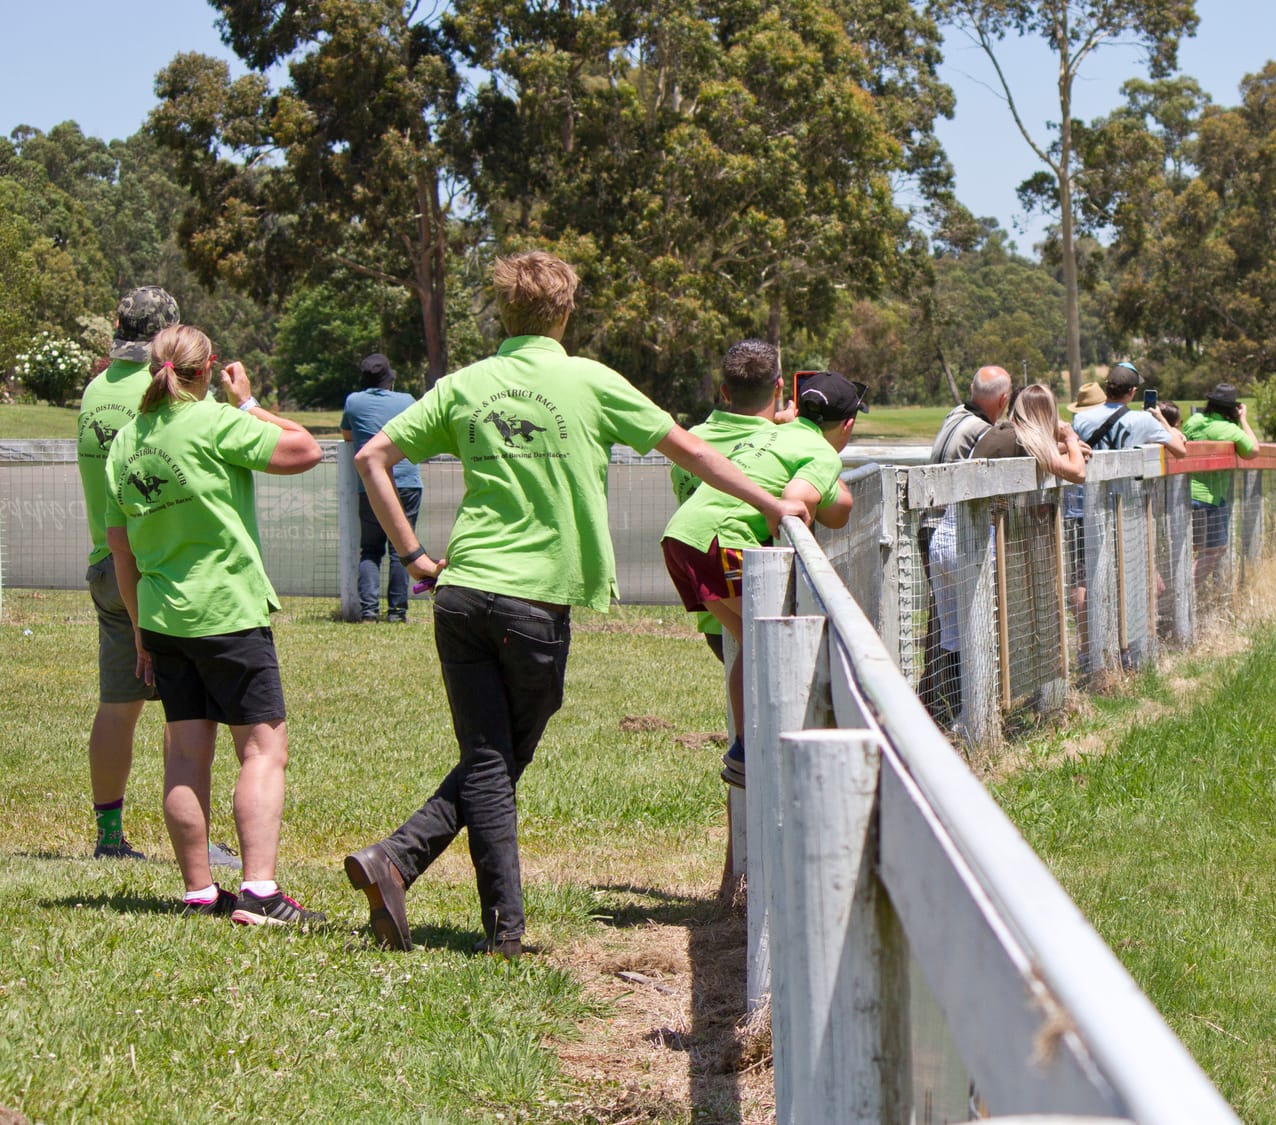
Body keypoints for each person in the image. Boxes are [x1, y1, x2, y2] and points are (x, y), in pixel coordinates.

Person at [341, 252, 809, 958]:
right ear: (564, 313)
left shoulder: (466, 385)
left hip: (463, 593)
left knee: (488, 755)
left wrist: (413, 557)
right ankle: (493, 926)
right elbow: (694, 455)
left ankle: (401, 864)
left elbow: (371, 456)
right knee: (495, 762)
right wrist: (772, 501)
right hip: (534, 601)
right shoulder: (589, 380)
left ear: (504, 313)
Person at [103, 324, 327, 923]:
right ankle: (257, 892)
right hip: (227, 612)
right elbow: (308, 449)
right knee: (262, 750)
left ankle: (201, 892)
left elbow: (121, 551)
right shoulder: (215, 421)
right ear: (207, 370)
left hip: (163, 620)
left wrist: (141, 632)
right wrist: (247, 403)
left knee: (184, 754)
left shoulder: (125, 444)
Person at [664, 363, 859, 785]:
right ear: (847, 425)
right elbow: (796, 498)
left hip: (683, 536)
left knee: (751, 640)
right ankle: (756, 748)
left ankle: (745, 749)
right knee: (777, 639)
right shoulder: (823, 454)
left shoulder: (770, 431)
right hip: (722, 541)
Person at [75, 286, 177, 862]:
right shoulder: (158, 391)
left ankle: (109, 838)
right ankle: (192, 839)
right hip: (152, 565)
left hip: (103, 563)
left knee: (118, 706)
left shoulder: (94, 390)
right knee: (184, 707)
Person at [927, 386, 1090, 727]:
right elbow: (1077, 472)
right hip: (971, 543)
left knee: (955, 637)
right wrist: (1071, 438)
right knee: (983, 633)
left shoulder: (1003, 433)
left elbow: (1033, 454)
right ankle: (976, 721)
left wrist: (1059, 447)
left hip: (945, 538)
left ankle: (954, 714)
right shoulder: (1024, 439)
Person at [669, 347, 797, 666]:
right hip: (755, 594)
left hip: (713, 606)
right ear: (779, 386)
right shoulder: (785, 443)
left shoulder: (691, 444)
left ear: (724, 391)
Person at [1064, 361, 1187, 631]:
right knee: (1132, 573)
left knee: (1084, 579)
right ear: (1132, 391)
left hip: (1086, 508)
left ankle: (1088, 648)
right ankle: (1130, 638)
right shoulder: (1141, 420)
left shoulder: (1081, 419)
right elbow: (1180, 450)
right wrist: (1161, 420)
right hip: (1126, 510)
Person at [920, 366, 1011, 720]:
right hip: (954, 529)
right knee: (965, 619)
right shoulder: (983, 431)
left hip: (930, 526)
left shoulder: (954, 415)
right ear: (1003, 400)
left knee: (941, 620)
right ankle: (961, 705)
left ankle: (931, 698)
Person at [340, 353, 421, 622]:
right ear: (389, 379)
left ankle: (369, 611)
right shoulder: (407, 400)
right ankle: (398, 612)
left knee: (371, 549)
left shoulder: (353, 402)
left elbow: (348, 436)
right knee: (402, 549)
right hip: (407, 481)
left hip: (372, 483)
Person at [1180, 384, 1260, 587]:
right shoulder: (1229, 429)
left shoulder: (1194, 422)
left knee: (1188, 548)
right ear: (1232, 408)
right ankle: (1182, 594)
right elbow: (1253, 451)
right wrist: (1243, 419)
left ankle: (1179, 595)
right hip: (1210, 498)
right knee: (1214, 550)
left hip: (1184, 494)